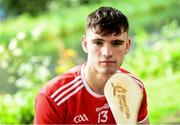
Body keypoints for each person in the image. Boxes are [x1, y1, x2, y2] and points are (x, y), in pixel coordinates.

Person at [34, 6, 149, 124]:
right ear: (85, 44)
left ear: (127, 45)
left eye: (116, 43)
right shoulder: (52, 97)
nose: (107, 53)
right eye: (98, 43)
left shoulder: (133, 87)